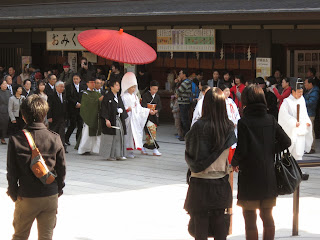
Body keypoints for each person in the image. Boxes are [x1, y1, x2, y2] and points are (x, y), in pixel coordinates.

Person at [231, 84, 291, 240]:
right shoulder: (270, 119)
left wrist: (234, 162)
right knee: (267, 216)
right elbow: (286, 141)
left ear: (246, 101)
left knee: (250, 219)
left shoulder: (244, 122)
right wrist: (270, 149)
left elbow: (242, 149)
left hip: (249, 177)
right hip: (268, 176)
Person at [7, 94, 66, 240]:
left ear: (24, 116)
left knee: (20, 236)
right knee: (46, 237)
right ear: (45, 114)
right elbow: (62, 169)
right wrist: (57, 189)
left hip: (27, 195)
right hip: (50, 195)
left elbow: (12, 173)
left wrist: (14, 193)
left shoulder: (16, 139)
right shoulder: (55, 138)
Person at [184, 87, 236, 240]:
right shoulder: (228, 127)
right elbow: (231, 155)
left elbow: (190, 154)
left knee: (200, 223)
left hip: (200, 181)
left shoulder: (198, 127)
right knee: (220, 221)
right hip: (220, 181)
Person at [278, 78, 312, 161]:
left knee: (299, 153)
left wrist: (307, 122)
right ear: (293, 91)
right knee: (291, 154)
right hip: (291, 131)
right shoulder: (287, 102)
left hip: (301, 130)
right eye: (299, 92)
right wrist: (293, 122)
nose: (301, 94)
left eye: (301, 92)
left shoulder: (302, 100)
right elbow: (283, 116)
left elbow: (304, 114)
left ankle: (299, 171)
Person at [121, 72, 151, 158]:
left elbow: (139, 107)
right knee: (128, 134)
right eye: (132, 87)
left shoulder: (135, 97)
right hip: (128, 117)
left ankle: (131, 151)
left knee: (134, 134)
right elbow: (123, 107)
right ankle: (126, 150)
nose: (133, 89)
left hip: (135, 116)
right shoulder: (124, 96)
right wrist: (128, 108)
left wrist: (148, 110)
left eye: (134, 87)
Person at [100, 79, 128, 161]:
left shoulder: (118, 97)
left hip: (118, 120)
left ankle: (118, 154)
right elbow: (104, 109)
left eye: (119, 85)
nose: (118, 87)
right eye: (116, 85)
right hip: (111, 119)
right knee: (110, 138)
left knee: (119, 137)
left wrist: (122, 113)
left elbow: (122, 107)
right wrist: (106, 119)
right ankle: (109, 155)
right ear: (111, 87)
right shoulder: (107, 97)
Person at [77, 78, 103, 155]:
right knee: (86, 133)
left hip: (96, 116)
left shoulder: (97, 93)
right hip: (89, 116)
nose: (93, 84)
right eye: (91, 82)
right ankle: (83, 149)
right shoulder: (85, 93)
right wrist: (98, 100)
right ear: (87, 84)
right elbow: (86, 104)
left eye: (94, 82)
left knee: (96, 134)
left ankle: (94, 149)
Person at [141, 80, 162, 156]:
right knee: (151, 131)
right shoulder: (145, 95)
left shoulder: (157, 96)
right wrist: (149, 110)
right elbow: (143, 105)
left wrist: (156, 110)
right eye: (153, 89)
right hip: (147, 116)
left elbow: (159, 106)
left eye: (156, 89)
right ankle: (155, 149)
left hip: (154, 117)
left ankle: (143, 147)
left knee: (151, 134)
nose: (154, 91)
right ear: (150, 88)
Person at [221, 85, 240, 162]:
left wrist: (236, 122)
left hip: (234, 126)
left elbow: (236, 113)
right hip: (226, 127)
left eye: (228, 91)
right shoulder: (220, 102)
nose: (228, 93)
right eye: (226, 91)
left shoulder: (231, 101)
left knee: (233, 144)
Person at [47, 81, 68, 153]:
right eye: (61, 86)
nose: (62, 88)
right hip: (54, 117)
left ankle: (62, 148)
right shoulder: (51, 95)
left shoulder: (64, 95)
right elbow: (49, 107)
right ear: (56, 87)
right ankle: (52, 147)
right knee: (53, 132)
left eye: (63, 87)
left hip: (62, 117)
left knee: (62, 133)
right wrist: (49, 117)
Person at [65, 74, 84, 145]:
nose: (75, 80)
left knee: (80, 125)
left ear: (80, 79)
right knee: (72, 124)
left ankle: (78, 141)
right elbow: (68, 97)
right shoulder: (69, 87)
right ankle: (66, 137)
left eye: (77, 79)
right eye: (74, 79)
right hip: (72, 108)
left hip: (81, 109)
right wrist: (76, 103)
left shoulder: (83, 87)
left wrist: (81, 104)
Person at [303, 77, 319, 154]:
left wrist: (302, 100)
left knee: (310, 131)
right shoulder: (309, 91)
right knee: (307, 131)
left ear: (310, 84)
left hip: (310, 113)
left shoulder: (314, 92)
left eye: (306, 83)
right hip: (307, 113)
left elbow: (311, 103)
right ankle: (308, 146)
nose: (304, 85)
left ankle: (311, 147)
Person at [176, 69, 192, 140]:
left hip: (184, 103)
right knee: (183, 119)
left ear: (184, 74)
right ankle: (184, 134)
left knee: (184, 119)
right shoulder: (184, 82)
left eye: (180, 73)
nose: (179, 75)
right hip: (183, 102)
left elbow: (178, 92)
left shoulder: (186, 82)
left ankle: (186, 135)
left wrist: (178, 83)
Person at [0, 78, 11, 144]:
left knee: (5, 125)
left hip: (7, 110)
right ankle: (2, 137)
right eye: (3, 84)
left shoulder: (9, 92)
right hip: (1, 110)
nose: (5, 85)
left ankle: (3, 137)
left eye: (5, 84)